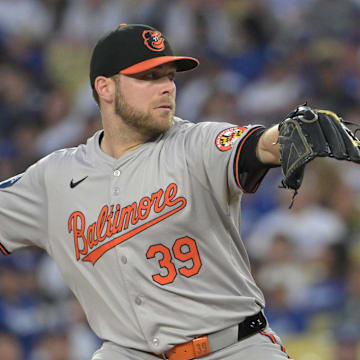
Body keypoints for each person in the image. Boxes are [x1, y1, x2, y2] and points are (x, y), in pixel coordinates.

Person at [0, 23, 309, 360]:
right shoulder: (55, 178)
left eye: (169, 77)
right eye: (149, 77)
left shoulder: (195, 144)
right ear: (105, 87)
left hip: (233, 346)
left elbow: (259, 145)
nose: (166, 88)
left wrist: (291, 135)